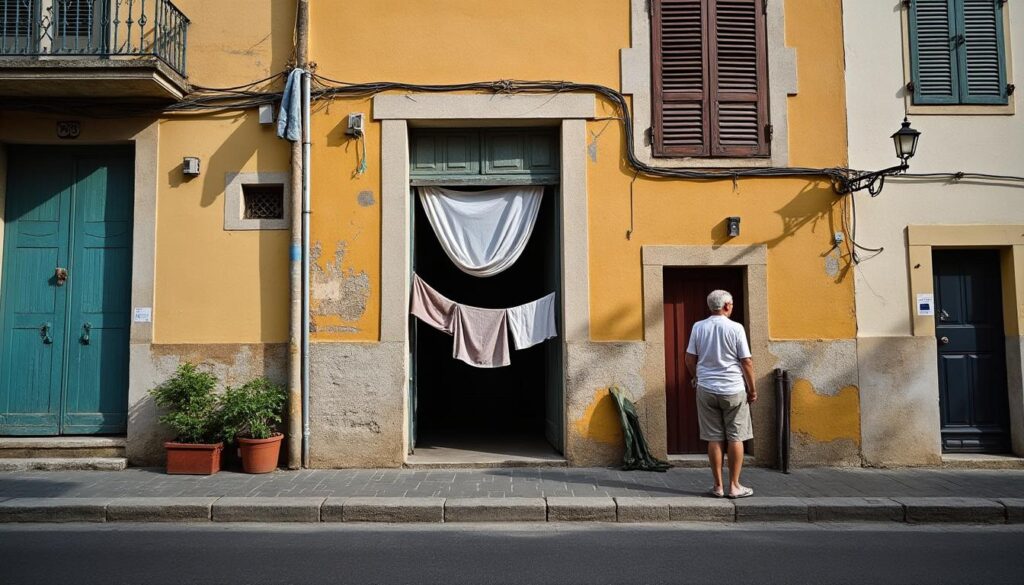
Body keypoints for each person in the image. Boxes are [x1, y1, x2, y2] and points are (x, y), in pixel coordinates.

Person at [684, 289, 757, 499]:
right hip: (733, 389)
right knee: (736, 436)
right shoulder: (736, 328)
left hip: (706, 388)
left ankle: (717, 486)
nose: (732, 307)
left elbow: (689, 358)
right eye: (731, 304)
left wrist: (697, 377)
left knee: (713, 437)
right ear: (726, 306)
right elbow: (747, 361)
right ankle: (734, 486)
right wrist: (752, 389)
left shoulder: (698, 327)